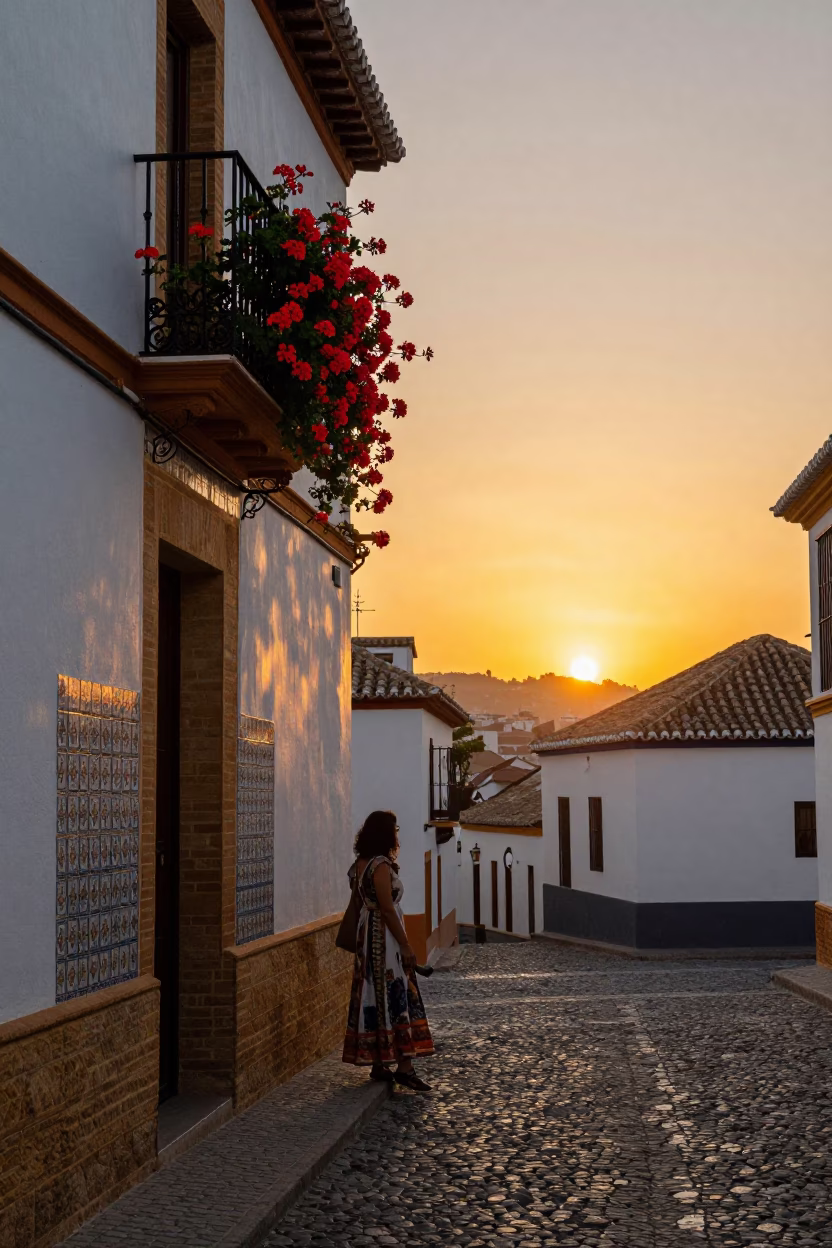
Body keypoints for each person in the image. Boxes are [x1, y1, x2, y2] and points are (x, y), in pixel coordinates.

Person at [342, 810, 434, 1090]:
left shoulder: (358, 866)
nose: (397, 835)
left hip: (366, 935)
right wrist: (405, 944)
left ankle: (378, 1062)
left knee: (373, 992)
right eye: (394, 830)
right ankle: (404, 1066)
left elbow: (359, 903)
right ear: (386, 834)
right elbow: (387, 908)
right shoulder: (380, 866)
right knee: (396, 992)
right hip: (384, 937)